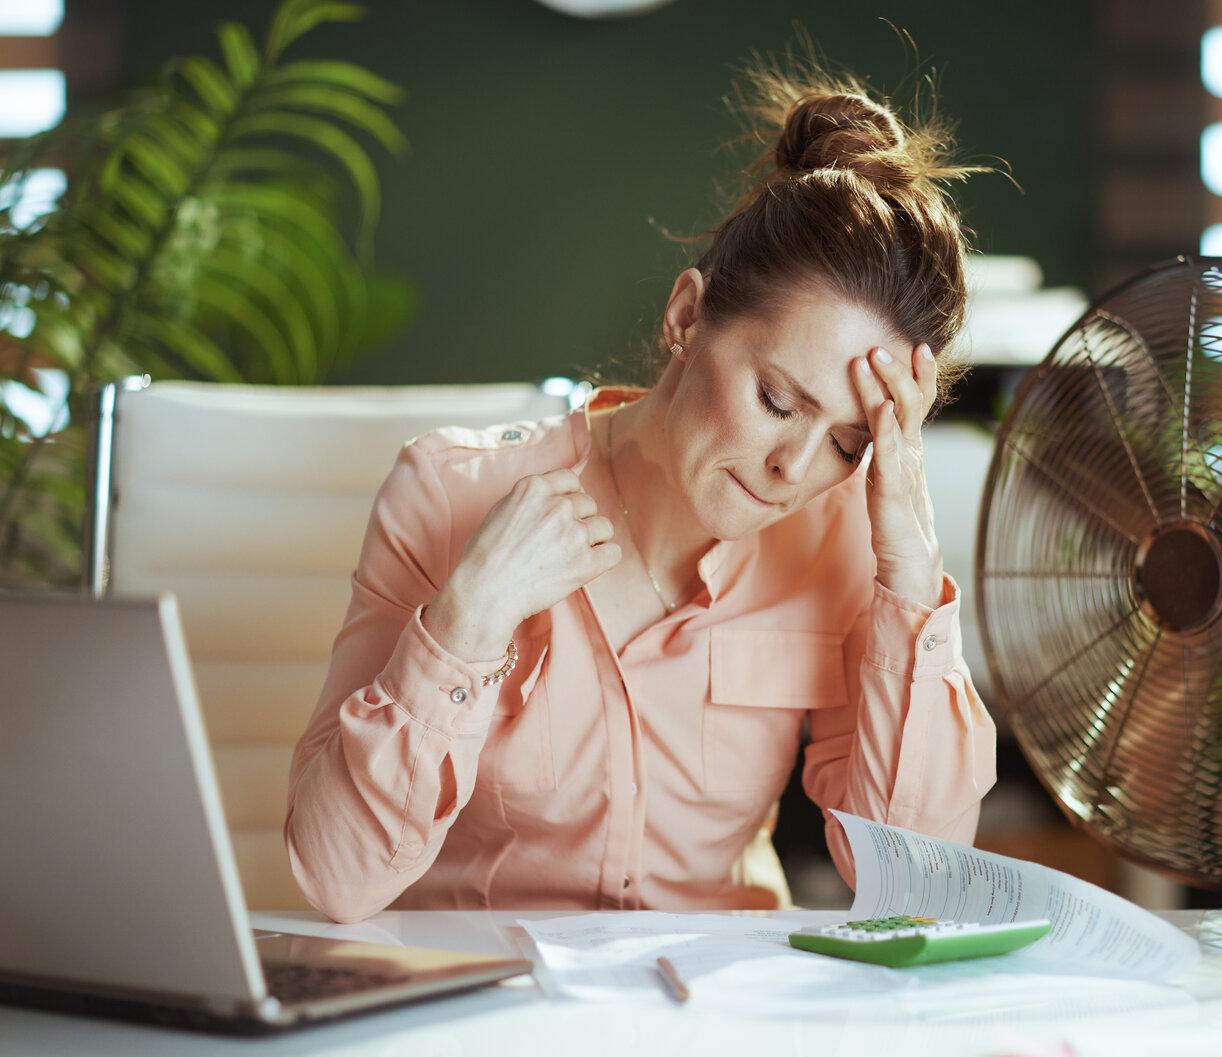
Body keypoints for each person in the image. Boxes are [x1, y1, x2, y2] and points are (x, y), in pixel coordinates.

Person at [285, 55, 999, 923]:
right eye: (777, 400)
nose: (793, 467)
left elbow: (916, 886)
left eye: (846, 444)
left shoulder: (841, 544)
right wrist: (465, 623)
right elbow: (333, 877)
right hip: (480, 1006)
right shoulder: (447, 494)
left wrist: (912, 573)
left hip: (711, 1016)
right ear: (686, 317)